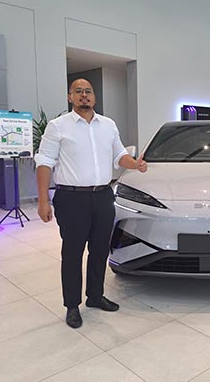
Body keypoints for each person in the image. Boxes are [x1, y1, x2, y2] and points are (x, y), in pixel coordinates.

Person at [35, 78, 147, 329]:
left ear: (94, 97)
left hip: (103, 196)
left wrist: (135, 164)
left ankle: (95, 296)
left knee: (99, 250)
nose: (84, 95)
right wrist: (43, 201)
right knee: (72, 253)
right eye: (78, 91)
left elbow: (120, 155)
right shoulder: (57, 126)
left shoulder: (108, 125)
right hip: (71, 198)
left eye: (88, 91)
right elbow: (44, 163)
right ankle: (72, 305)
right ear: (70, 97)